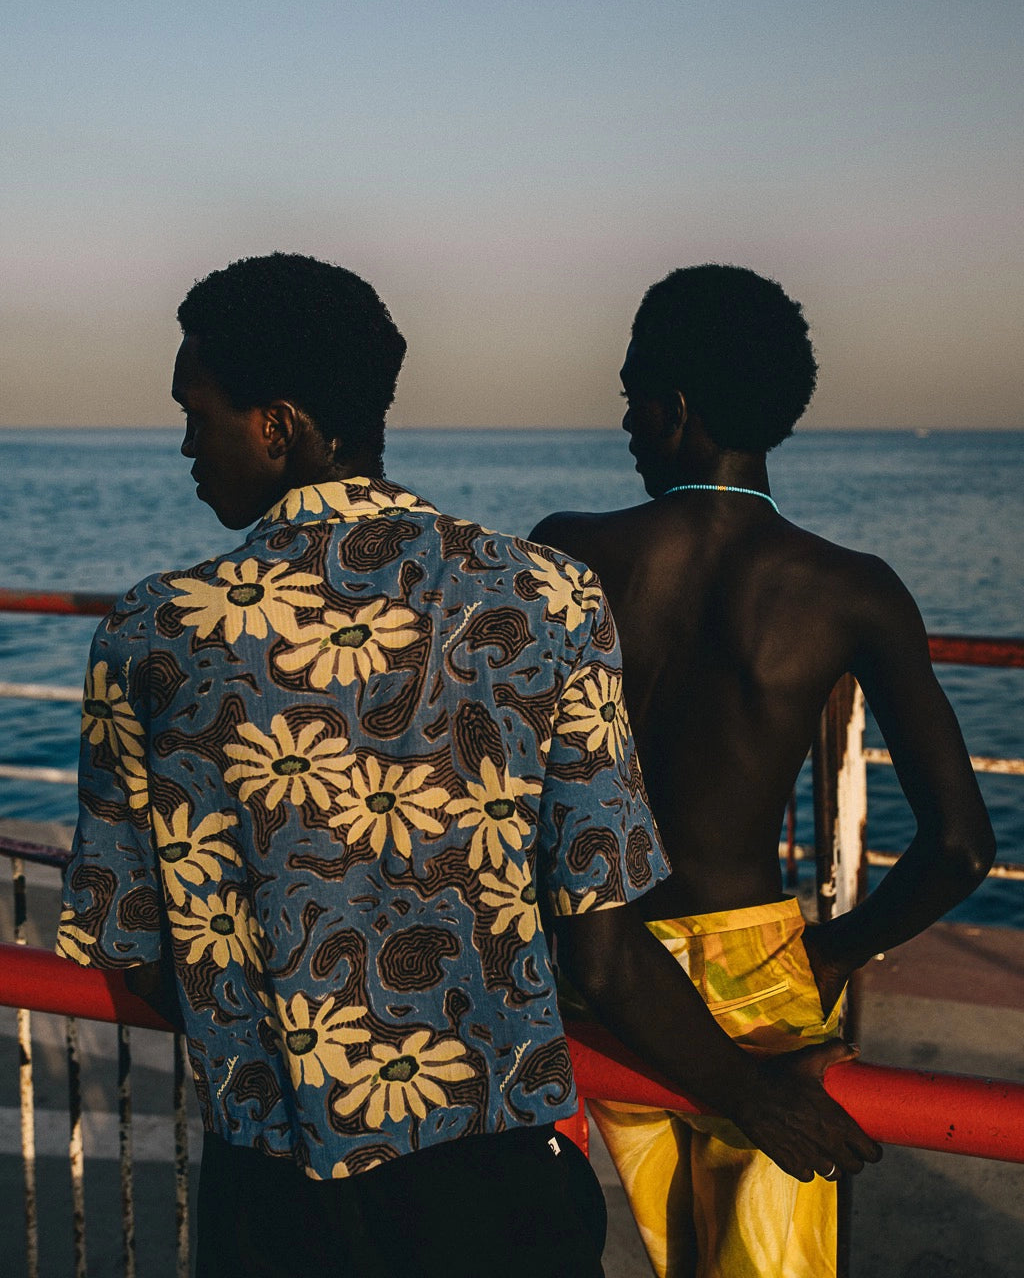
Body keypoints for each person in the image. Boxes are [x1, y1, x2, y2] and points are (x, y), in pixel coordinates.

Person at [57, 253, 879, 1278]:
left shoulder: (151, 632)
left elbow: (130, 945)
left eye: (196, 414)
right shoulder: (544, 596)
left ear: (276, 426)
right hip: (497, 1191)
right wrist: (753, 1093)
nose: (186, 444)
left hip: (274, 1194)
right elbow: (605, 955)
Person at [530, 263, 996, 1278]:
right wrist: (827, 956)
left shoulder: (564, 554)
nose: (625, 422)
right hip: (758, 985)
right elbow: (961, 847)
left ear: (675, 408)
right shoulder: (851, 590)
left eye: (632, 398)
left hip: (600, 965)